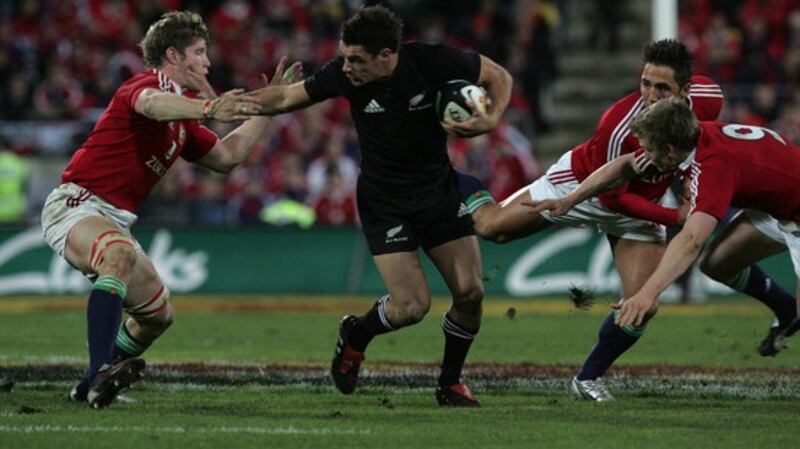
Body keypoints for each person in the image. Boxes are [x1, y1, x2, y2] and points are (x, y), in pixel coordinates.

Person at [244, 5, 512, 406]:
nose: (347, 66)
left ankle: (450, 383)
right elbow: (286, 96)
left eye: (357, 59)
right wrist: (227, 104)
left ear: (387, 55)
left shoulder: (431, 61)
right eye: (345, 56)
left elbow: (498, 75)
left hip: (438, 191)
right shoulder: (343, 75)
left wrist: (491, 121)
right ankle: (356, 334)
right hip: (385, 202)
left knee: (471, 293)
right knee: (411, 307)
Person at [40, 11, 299, 408]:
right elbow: (153, 105)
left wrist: (268, 111)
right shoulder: (147, 84)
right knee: (119, 254)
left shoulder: (187, 118)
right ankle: (99, 377)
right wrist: (210, 107)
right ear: (173, 55)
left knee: (158, 316)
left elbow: (227, 156)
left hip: (114, 219)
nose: (208, 62)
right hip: (76, 204)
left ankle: (86, 388)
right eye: (199, 52)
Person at [531, 96, 800, 360]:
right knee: (717, 263)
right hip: (779, 208)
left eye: (649, 148)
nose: (645, 154)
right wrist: (570, 198)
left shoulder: (712, 167)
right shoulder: (694, 137)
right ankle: (787, 310)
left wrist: (646, 294)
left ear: (669, 149)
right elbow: (623, 166)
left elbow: (692, 239)